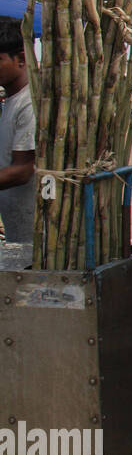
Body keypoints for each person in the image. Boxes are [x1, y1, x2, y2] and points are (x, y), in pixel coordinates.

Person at [0, 20, 35, 269]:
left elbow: (22, 170)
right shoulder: (10, 100)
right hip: (17, 229)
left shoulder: (30, 102)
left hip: (36, 235)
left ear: (21, 59)